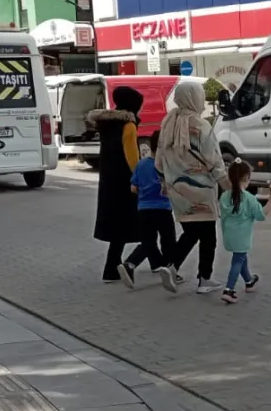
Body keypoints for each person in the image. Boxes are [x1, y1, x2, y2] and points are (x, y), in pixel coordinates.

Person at [155, 81, 225, 294]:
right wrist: (227, 184)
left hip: (177, 191)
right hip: (201, 190)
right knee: (208, 236)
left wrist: (164, 182)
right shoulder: (201, 126)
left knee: (192, 232)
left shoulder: (167, 125)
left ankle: (172, 266)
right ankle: (204, 279)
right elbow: (213, 159)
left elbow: (159, 162)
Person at [90, 85, 145, 282]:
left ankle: (112, 267)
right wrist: (141, 178)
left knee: (117, 227)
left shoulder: (106, 124)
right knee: (136, 225)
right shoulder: (128, 126)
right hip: (125, 183)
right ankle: (114, 267)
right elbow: (132, 158)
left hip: (109, 181)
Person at [120, 136, 181, 288]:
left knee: (148, 241)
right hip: (163, 209)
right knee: (168, 240)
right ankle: (168, 269)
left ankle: (130, 264)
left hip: (144, 209)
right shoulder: (167, 166)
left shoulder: (141, 164)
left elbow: (133, 188)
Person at [218, 160, 271, 303]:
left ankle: (249, 282)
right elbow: (261, 215)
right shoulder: (249, 198)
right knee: (238, 260)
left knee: (241, 256)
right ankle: (229, 290)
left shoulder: (224, 196)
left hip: (229, 236)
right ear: (246, 178)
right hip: (242, 236)